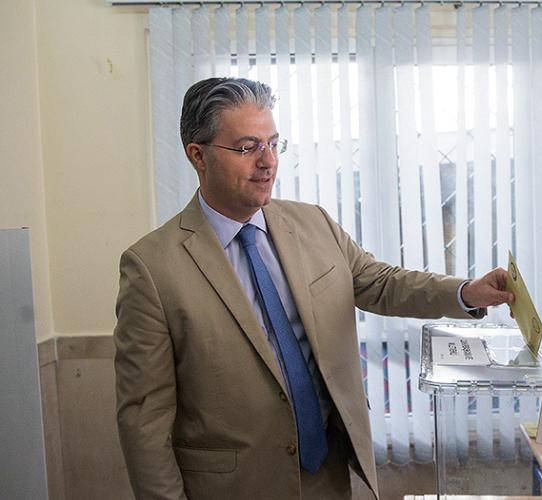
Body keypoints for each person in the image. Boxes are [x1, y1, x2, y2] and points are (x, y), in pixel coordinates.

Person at [114, 77, 513, 499]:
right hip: (234, 486)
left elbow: (380, 283)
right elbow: (144, 423)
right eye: (248, 147)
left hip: (328, 473)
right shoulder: (152, 267)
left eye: (273, 144)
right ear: (198, 155)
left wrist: (466, 292)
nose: (268, 161)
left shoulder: (313, 223)